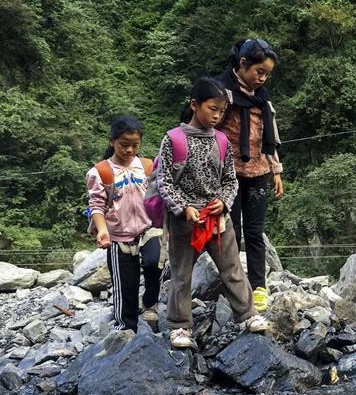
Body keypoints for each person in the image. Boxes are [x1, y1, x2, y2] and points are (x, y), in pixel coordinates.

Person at [157, 76, 269, 348]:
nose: (217, 116)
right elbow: (164, 182)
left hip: (216, 217)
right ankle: (179, 326)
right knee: (182, 274)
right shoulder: (173, 139)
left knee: (232, 268)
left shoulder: (221, 141)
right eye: (212, 109)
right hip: (185, 220)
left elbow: (230, 180)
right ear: (194, 105)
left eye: (221, 111)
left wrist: (223, 201)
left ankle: (247, 315)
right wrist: (184, 208)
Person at [217, 38, 284, 313]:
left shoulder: (262, 96)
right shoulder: (221, 91)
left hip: (257, 172)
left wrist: (275, 170)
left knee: (255, 233)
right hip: (227, 177)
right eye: (259, 72)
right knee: (231, 231)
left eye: (267, 74)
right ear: (243, 63)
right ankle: (235, 288)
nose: (262, 78)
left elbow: (270, 135)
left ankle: (258, 288)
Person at [86, 116, 163, 332]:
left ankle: (150, 302)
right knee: (125, 283)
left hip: (148, 228)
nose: (129, 150)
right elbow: (96, 205)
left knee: (155, 263)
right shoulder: (101, 171)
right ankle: (126, 328)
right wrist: (102, 230)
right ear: (112, 142)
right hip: (118, 235)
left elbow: (159, 195)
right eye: (124, 145)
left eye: (135, 145)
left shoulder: (147, 166)